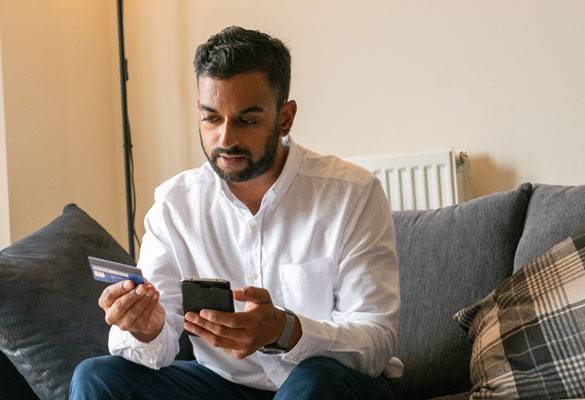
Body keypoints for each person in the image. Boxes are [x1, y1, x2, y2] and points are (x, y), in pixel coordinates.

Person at [70, 26, 401, 400]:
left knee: (314, 380)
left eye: (246, 120)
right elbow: (156, 345)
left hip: (330, 384)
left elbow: (376, 340)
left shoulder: (352, 194)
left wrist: (285, 329)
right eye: (211, 118)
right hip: (224, 386)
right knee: (96, 377)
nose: (225, 139)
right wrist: (147, 329)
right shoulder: (174, 205)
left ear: (285, 118)